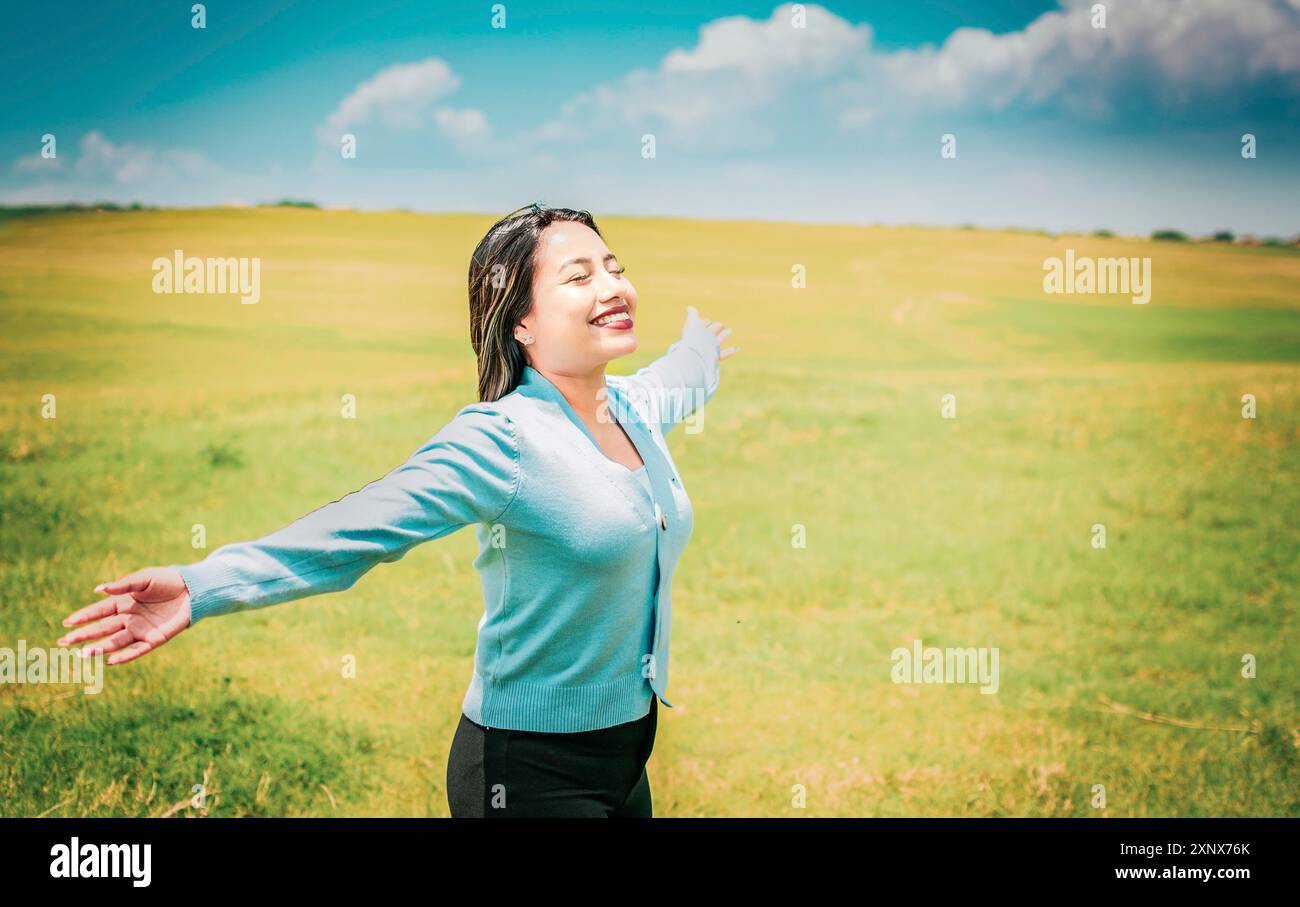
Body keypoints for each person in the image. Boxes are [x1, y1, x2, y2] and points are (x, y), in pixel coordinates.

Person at [57, 202, 738, 817]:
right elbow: (355, 530)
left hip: (627, 755)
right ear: (522, 319)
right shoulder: (502, 440)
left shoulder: (633, 410)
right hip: (528, 770)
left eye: (614, 267)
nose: (613, 287)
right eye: (579, 275)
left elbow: (681, 378)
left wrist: (700, 346)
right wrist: (204, 583)